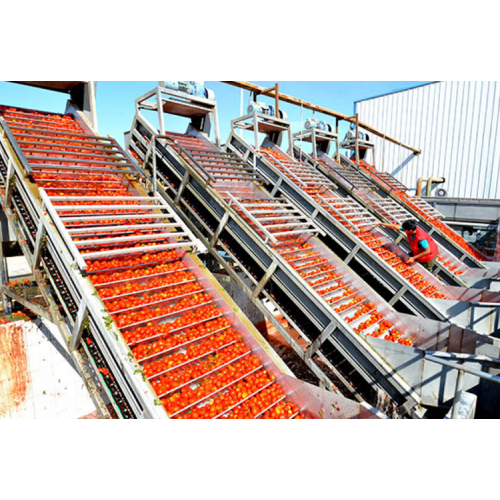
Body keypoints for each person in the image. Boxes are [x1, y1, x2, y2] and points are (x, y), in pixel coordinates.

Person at [374, 219, 439, 272]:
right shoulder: (411, 229)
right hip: (418, 251)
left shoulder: (421, 239)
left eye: (405, 230)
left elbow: (427, 251)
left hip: (429, 255)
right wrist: (380, 223)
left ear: (410, 230)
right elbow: (395, 227)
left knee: (424, 271)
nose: (404, 231)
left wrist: (413, 258)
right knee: (406, 260)